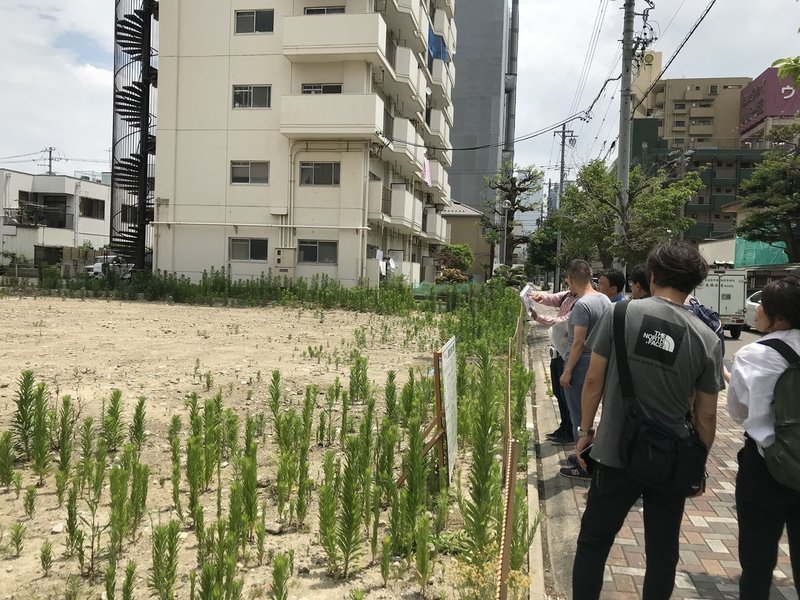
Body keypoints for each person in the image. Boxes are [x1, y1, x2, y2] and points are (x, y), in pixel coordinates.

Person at [571, 241, 724, 599]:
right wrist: (697, 463)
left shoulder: (620, 314)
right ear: (693, 283)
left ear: (652, 276)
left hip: (614, 450)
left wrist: (585, 430)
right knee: (662, 553)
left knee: (594, 542)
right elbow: (707, 413)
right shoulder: (706, 338)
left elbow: (592, 380)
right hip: (671, 457)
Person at [727, 273, 800, 599]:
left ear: (778, 315)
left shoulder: (754, 354)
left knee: (757, 564)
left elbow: (739, 412)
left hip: (765, 466)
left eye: (762, 305)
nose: (756, 310)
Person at [559, 259, 611, 479]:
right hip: (602, 362)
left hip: (581, 365)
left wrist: (568, 370)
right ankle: (586, 454)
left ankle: (583, 464)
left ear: (570, 279)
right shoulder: (605, 299)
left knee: (579, 417)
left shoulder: (582, 305)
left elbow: (578, 342)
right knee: (590, 413)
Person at [528, 288, 579, 445]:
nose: (568, 284)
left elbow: (563, 321)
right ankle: (564, 427)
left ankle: (571, 432)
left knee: (566, 395)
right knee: (557, 391)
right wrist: (539, 297)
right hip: (558, 348)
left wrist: (538, 317)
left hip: (568, 353)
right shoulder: (567, 295)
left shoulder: (582, 303)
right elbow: (552, 298)